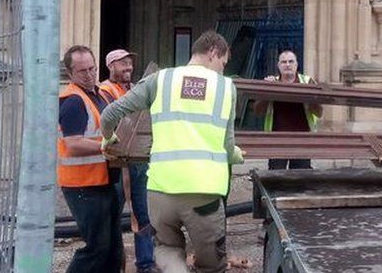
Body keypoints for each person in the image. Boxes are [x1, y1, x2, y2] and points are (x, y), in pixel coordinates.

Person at [100, 30, 244, 273]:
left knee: (166, 248)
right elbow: (227, 144)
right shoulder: (226, 87)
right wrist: (235, 155)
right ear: (213, 52)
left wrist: (108, 138)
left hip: (160, 191)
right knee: (212, 264)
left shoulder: (160, 80)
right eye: (223, 62)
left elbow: (109, 114)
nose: (222, 69)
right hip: (204, 195)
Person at [57, 45, 124, 273]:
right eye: (83, 71)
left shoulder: (100, 94)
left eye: (92, 68)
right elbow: (73, 144)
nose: (89, 74)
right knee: (97, 248)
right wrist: (103, 146)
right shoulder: (73, 101)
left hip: (104, 182)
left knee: (112, 249)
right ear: (70, 73)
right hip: (84, 187)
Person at [99, 49, 157, 273]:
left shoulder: (135, 89)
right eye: (123, 63)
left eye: (130, 63)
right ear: (111, 66)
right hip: (118, 163)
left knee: (143, 213)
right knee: (113, 214)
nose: (129, 67)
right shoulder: (105, 91)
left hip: (139, 161)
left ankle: (145, 263)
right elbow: (113, 120)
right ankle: (114, 263)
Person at [252, 50, 322, 170]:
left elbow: (319, 112)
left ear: (296, 65)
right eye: (284, 62)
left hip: (302, 139)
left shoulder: (307, 82)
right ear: (278, 66)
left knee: (301, 179)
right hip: (276, 140)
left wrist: (308, 94)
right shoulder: (271, 82)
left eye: (291, 61)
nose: (287, 65)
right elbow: (257, 111)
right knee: (276, 178)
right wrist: (267, 91)